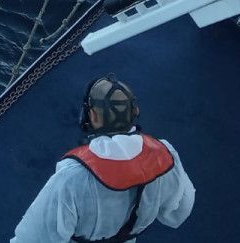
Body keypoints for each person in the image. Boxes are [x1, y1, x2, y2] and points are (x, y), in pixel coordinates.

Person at [11, 76, 194, 243]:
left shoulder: (72, 177)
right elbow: (178, 213)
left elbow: (32, 239)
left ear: (93, 116)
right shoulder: (166, 154)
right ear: (135, 110)